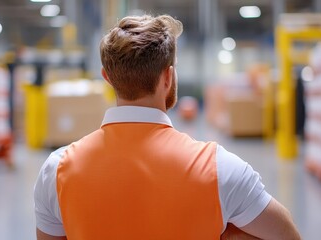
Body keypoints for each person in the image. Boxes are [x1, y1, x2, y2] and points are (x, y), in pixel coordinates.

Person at [34, 15, 301, 240]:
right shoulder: (220, 169)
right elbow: (287, 234)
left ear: (107, 78)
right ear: (169, 76)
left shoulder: (56, 170)